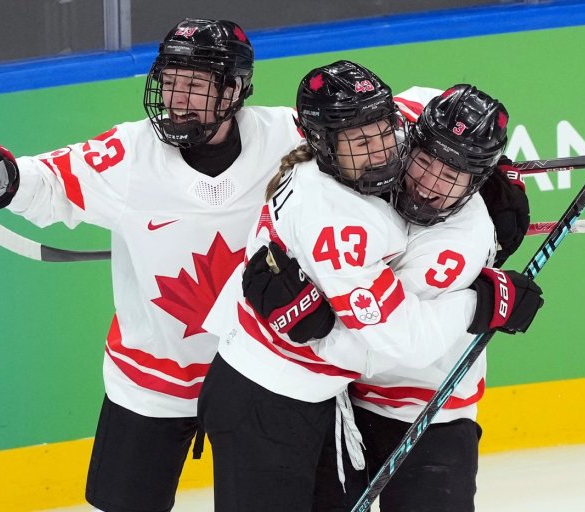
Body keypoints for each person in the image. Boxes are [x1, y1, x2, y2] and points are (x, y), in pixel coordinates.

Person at [0, 18, 305, 512]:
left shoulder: (289, 139)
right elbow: (48, 183)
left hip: (258, 375)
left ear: (235, 89)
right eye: (170, 81)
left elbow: (371, 144)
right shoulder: (130, 154)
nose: (177, 99)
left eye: (195, 85)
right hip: (151, 380)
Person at [198, 61, 541, 512]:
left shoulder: (450, 221)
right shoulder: (345, 220)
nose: (429, 185)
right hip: (274, 398)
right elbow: (401, 340)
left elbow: (441, 108)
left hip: (367, 404)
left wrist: (486, 155)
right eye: (425, 163)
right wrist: (480, 303)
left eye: (453, 174)